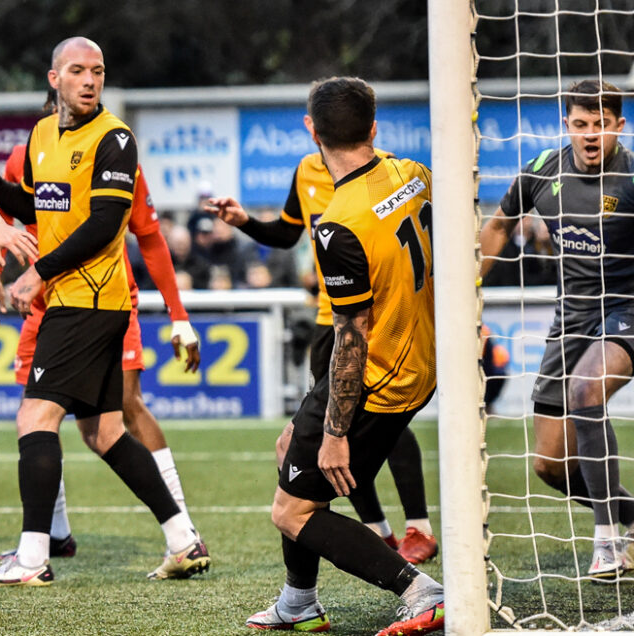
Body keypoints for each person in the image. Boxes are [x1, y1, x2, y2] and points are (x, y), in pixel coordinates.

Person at [0, 36, 208, 587]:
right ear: (54, 78)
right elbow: (31, 205)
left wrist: (37, 272)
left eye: (98, 71)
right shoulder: (42, 134)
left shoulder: (115, 138)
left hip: (88, 300)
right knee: (105, 432)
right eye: (79, 71)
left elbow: (106, 225)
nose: (90, 81)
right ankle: (183, 539)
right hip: (78, 302)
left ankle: (32, 558)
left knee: (34, 418)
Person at [228, 77, 443, 635]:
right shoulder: (413, 174)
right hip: (419, 362)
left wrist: (335, 431)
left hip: (379, 374)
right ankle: (299, 602)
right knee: (286, 449)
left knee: (291, 511)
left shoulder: (339, 221)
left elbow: (351, 338)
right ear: (373, 127)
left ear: (314, 133)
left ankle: (423, 592)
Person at [206, 149, 438, 564]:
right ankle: (377, 530)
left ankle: (418, 526)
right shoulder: (306, 171)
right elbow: (286, 233)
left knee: (382, 424)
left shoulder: (387, 170)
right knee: (330, 424)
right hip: (328, 321)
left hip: (378, 322)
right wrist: (245, 222)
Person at [480, 78, 634, 579]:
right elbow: (499, 225)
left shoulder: (631, 178)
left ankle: (608, 542)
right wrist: (461, 294)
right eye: (581, 124)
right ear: (566, 124)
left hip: (627, 309)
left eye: (601, 124)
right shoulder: (542, 171)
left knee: (586, 390)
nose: (590, 135)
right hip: (573, 318)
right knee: (549, 465)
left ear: (619, 126)